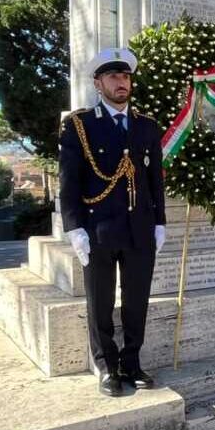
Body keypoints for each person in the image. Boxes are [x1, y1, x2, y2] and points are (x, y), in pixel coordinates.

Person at [59, 47, 166, 397]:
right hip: (98, 229)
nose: (121, 83)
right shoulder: (79, 126)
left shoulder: (146, 125)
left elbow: (155, 180)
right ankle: (107, 367)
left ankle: (132, 363)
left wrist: (159, 221)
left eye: (125, 76)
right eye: (113, 77)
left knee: (137, 300)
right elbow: (69, 181)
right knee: (100, 301)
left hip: (139, 229)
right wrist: (75, 228)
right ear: (98, 83)